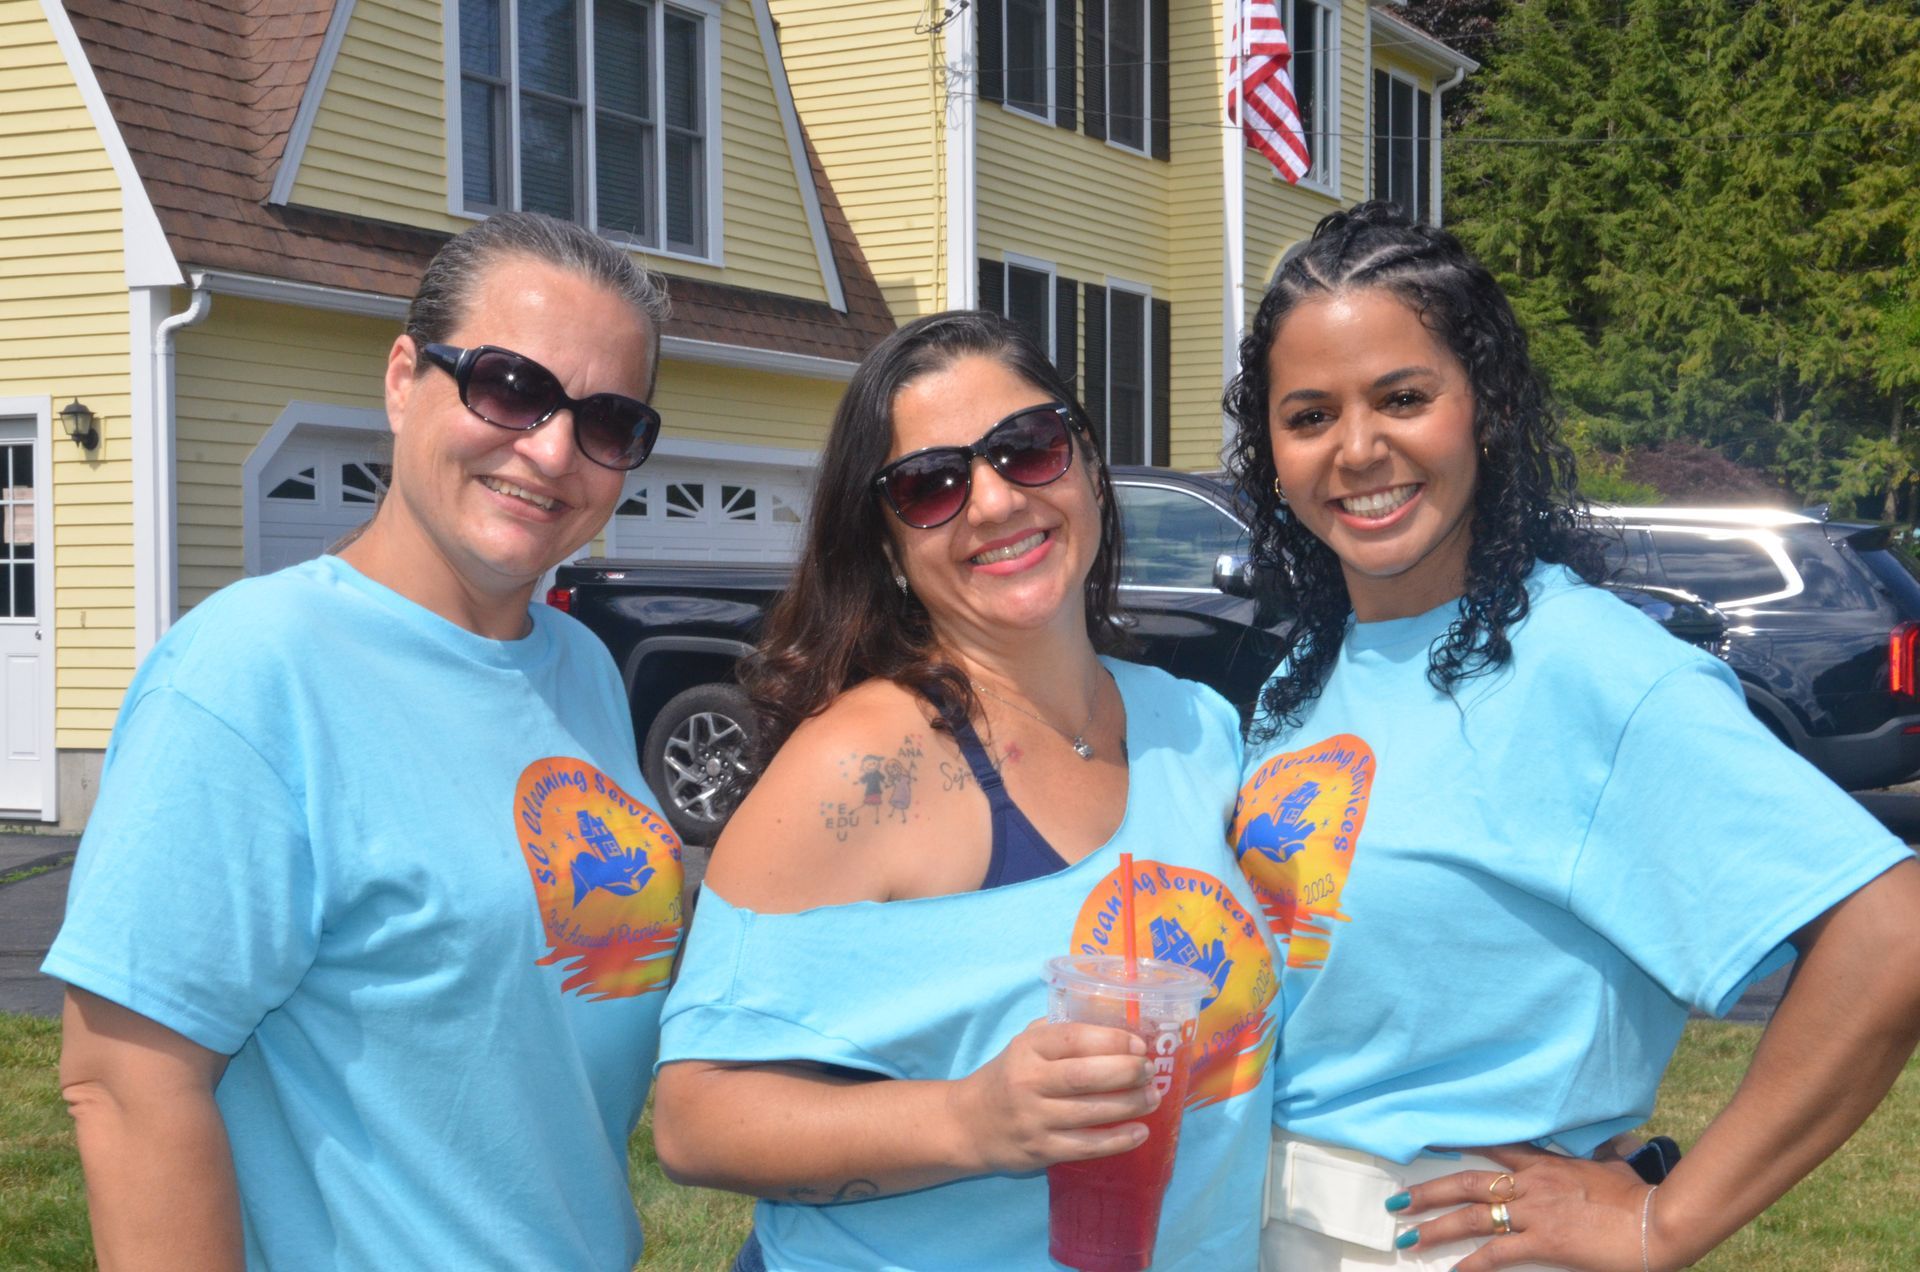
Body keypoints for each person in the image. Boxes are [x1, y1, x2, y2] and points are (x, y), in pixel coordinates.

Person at [1224, 201, 1920, 1272]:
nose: (1358, 449)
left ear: (1485, 408)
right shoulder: (1303, 680)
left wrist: (1662, 1217)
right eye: (1309, 415)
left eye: (1403, 398)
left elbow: (1892, 934)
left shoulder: (1588, 665)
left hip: (1440, 1244)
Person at [43, 212, 687, 1269]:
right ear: (402, 379)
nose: (553, 447)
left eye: (608, 420)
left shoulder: (578, 671)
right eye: (510, 387)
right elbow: (125, 1082)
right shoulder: (251, 672)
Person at [651, 311, 1278, 1270]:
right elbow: (697, 1121)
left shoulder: (1196, 729)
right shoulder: (861, 767)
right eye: (929, 484)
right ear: (890, 546)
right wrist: (973, 1120)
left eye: (1027, 448)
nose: (989, 502)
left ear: (1087, 466)